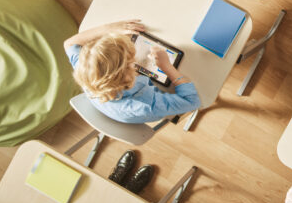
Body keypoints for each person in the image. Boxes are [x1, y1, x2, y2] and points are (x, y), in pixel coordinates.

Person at [63, 19, 201, 124]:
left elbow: (69, 44)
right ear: (129, 75)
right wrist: (167, 67)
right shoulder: (146, 106)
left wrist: (109, 29)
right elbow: (192, 101)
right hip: (154, 103)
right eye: (131, 60)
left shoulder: (87, 67)